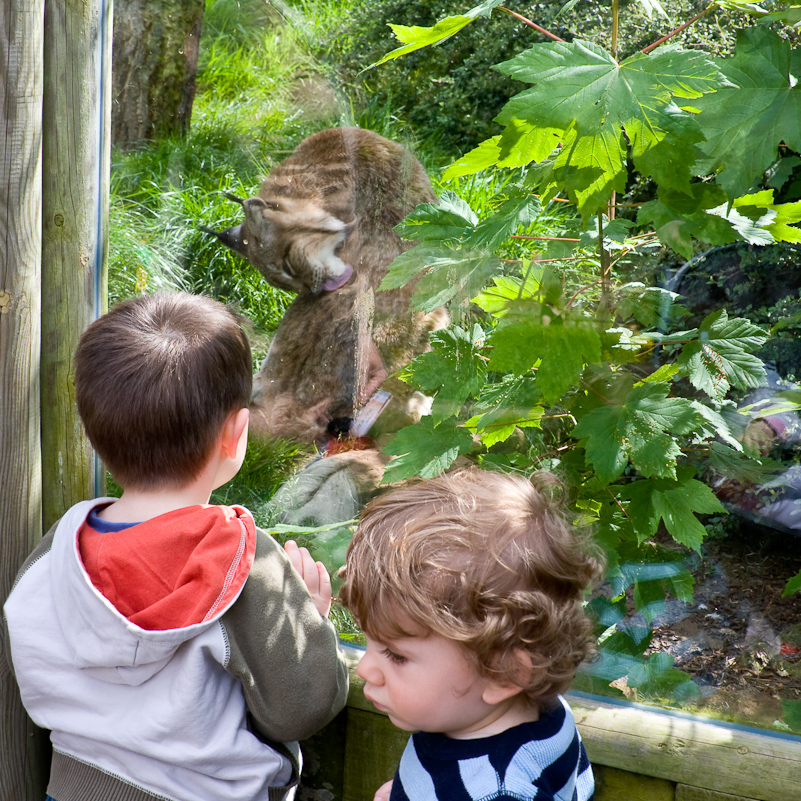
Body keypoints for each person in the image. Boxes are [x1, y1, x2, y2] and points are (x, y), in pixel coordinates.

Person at [3, 292, 349, 801]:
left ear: (94, 434)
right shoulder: (242, 558)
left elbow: (29, 645)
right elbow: (305, 706)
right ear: (236, 434)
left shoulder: (62, 546)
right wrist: (309, 624)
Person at [339, 469, 604, 801]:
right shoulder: (530, 716)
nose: (365, 669)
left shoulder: (499, 792)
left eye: (396, 655)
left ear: (503, 674)